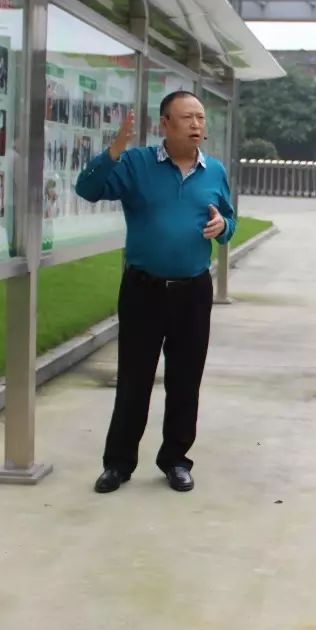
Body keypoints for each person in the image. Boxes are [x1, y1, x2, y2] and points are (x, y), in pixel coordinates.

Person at [77, 90, 236, 496]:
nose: (197, 125)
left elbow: (228, 218)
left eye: (201, 117)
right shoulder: (136, 163)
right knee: (135, 378)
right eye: (187, 117)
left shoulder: (213, 171)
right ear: (164, 124)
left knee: (186, 379)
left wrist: (224, 228)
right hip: (143, 289)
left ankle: (176, 460)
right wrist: (113, 150)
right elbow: (88, 189)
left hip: (194, 291)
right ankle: (118, 463)